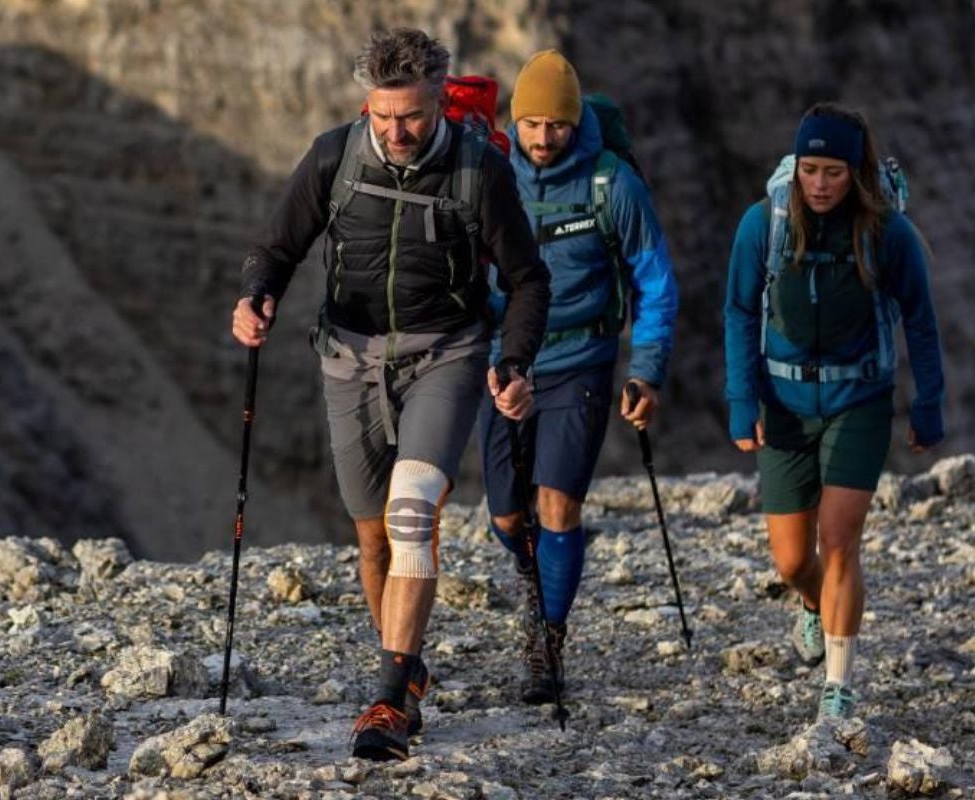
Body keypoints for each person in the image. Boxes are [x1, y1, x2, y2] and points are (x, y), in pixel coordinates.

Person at [231, 27, 552, 761]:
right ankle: (405, 671)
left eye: (410, 115)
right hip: (347, 358)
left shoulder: (479, 169)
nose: (396, 131)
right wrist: (257, 297)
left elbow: (528, 278)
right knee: (372, 535)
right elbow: (278, 248)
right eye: (383, 115)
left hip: (448, 353)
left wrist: (517, 360)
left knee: (412, 514)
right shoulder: (332, 156)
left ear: (439, 99)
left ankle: (386, 702)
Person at [720, 103, 948, 722]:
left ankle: (838, 686)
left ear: (855, 172)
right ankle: (810, 606)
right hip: (784, 403)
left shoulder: (885, 234)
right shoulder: (761, 225)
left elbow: (921, 324)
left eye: (834, 172)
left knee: (839, 539)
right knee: (794, 561)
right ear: (796, 168)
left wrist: (927, 405)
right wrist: (742, 401)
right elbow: (740, 312)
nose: (820, 185)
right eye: (811, 170)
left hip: (859, 400)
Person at [480, 49, 678, 707]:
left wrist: (645, 371)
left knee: (558, 503)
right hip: (507, 361)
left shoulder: (611, 184)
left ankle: (547, 641)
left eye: (556, 126)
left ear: (574, 124)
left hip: (581, 361)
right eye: (532, 124)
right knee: (507, 513)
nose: (543, 139)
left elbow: (654, 279)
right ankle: (535, 581)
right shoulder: (493, 174)